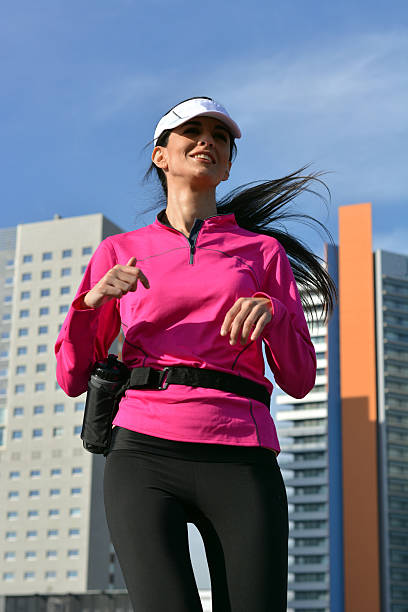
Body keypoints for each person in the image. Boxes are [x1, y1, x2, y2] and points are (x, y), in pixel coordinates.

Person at [55, 97, 336, 612]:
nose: (208, 140)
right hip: (142, 451)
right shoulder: (119, 252)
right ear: (161, 156)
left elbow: (298, 379)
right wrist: (91, 303)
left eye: (221, 136)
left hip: (241, 453)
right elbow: (72, 376)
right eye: (193, 131)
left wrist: (274, 313)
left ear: (228, 164)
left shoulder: (262, 253)